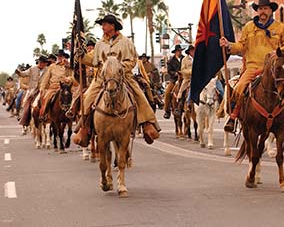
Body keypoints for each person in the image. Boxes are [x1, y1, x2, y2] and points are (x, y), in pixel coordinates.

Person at [219, 0, 284, 135]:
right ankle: (232, 119)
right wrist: (228, 45)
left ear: (271, 11)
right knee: (239, 87)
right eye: (261, 8)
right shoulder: (249, 27)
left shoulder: (279, 27)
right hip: (253, 67)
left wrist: (280, 52)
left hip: (275, 68)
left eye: (266, 8)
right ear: (257, 11)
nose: (263, 11)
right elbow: (241, 46)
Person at [72, 14, 160, 147]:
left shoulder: (126, 42)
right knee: (87, 97)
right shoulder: (100, 43)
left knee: (140, 95)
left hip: (123, 76)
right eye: (102, 25)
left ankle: (148, 124)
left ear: (112, 26)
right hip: (102, 78)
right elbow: (93, 61)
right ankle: (84, 128)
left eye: (105, 24)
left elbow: (132, 61)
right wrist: (82, 56)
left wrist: (117, 69)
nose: (102, 27)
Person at [39, 50, 76, 120]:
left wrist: (69, 79)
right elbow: (46, 78)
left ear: (64, 57)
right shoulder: (52, 66)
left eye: (61, 56)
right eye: (58, 56)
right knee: (47, 98)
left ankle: (75, 114)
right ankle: (44, 114)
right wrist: (42, 87)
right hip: (53, 87)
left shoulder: (68, 66)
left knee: (75, 97)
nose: (59, 57)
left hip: (66, 87)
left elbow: (73, 77)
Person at [17, 56, 49, 133]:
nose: (42, 64)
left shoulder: (48, 70)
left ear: (45, 64)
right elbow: (24, 74)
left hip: (44, 89)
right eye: (41, 62)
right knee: (26, 102)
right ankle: (24, 119)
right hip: (32, 89)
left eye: (43, 63)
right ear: (38, 62)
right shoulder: (32, 69)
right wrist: (18, 72)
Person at [163, 44, 184, 119]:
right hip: (174, 79)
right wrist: (175, 73)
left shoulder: (184, 59)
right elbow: (169, 71)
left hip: (185, 78)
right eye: (178, 51)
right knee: (168, 93)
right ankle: (167, 110)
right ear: (175, 52)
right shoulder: (170, 61)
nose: (179, 52)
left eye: (180, 51)